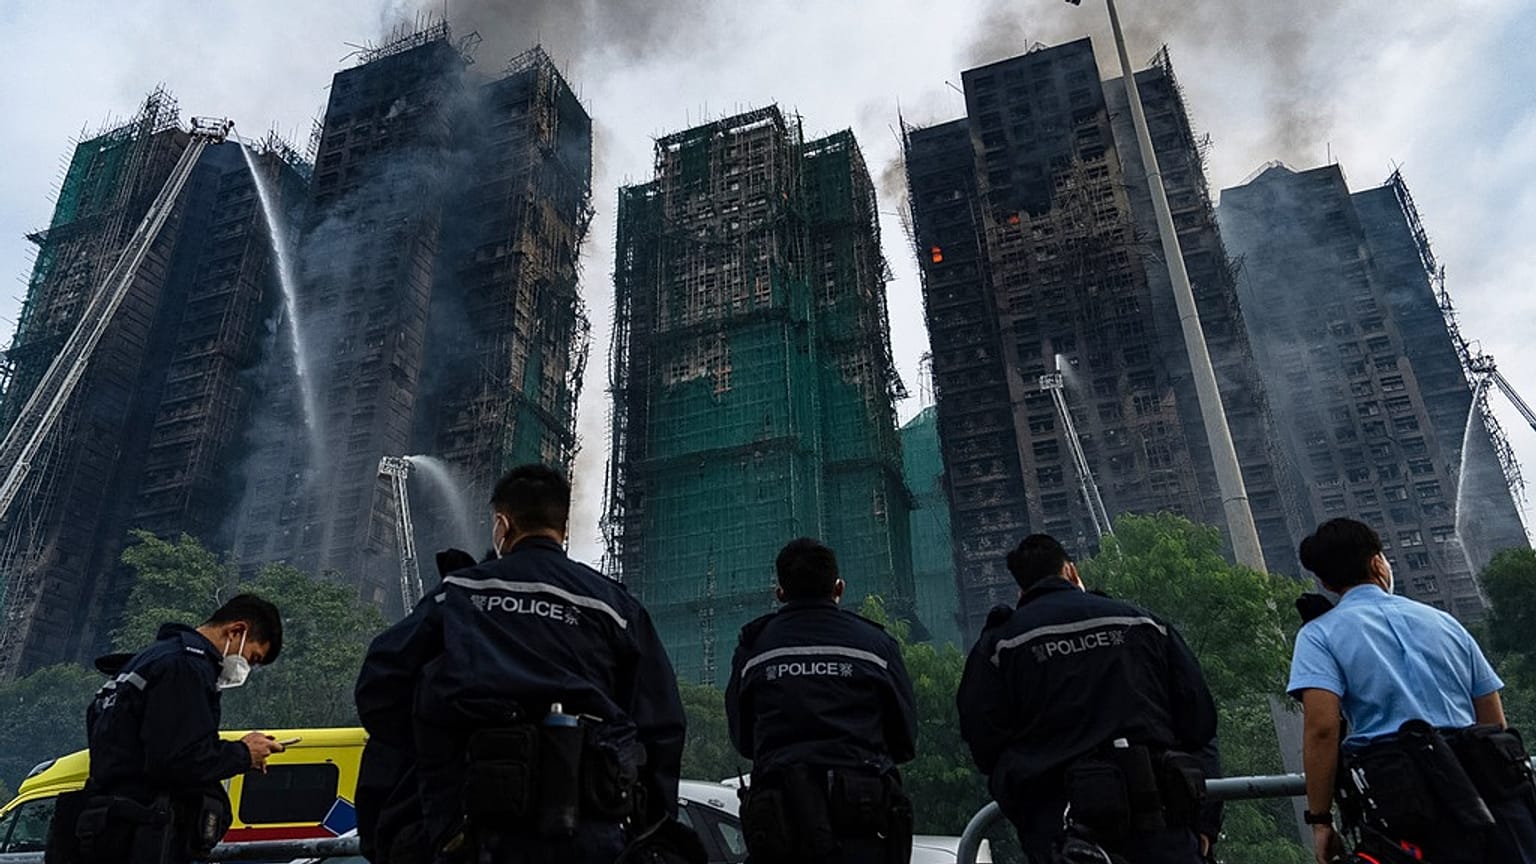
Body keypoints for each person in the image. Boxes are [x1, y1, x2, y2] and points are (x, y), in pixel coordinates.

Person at [355, 464, 687, 864]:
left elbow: (380, 685)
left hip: (475, 828)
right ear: (563, 529)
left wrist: (436, 753)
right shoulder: (615, 607)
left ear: (502, 525)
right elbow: (662, 726)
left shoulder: (460, 593)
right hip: (592, 830)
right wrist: (650, 827)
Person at [956, 534, 1221, 864]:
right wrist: (1205, 823)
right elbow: (1200, 723)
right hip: (1162, 824)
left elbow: (983, 742)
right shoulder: (1143, 623)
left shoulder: (1001, 644)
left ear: (1020, 589)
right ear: (1070, 570)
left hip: (1061, 832)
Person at [1288, 518, 1536, 864]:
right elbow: (1492, 721)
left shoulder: (1318, 636)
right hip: (1485, 789)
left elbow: (1322, 728)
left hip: (1400, 798)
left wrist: (1320, 820)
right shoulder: (1444, 622)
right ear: (1377, 562)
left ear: (1326, 582)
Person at [47, 595, 287, 864]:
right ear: (236, 631)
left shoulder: (146, 661)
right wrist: (243, 753)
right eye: (252, 657)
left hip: (108, 829)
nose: (246, 669)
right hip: (141, 835)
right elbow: (177, 760)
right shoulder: (186, 667)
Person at [725, 537, 917, 864]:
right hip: (865, 822)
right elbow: (905, 739)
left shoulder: (754, 650)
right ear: (838, 588)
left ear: (781, 593)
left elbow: (743, 738)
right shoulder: (876, 645)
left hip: (780, 829)